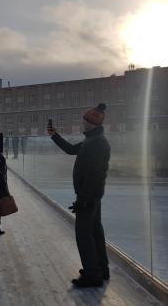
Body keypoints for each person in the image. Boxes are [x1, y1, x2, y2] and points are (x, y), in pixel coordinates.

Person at [47, 103, 110, 288]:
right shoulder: (93, 140)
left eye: (85, 122)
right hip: (92, 195)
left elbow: (94, 174)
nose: (82, 124)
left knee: (83, 235)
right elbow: (71, 149)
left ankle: (93, 275)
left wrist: (83, 199)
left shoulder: (98, 143)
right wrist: (54, 135)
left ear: (92, 123)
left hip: (89, 195)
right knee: (95, 232)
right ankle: (101, 269)